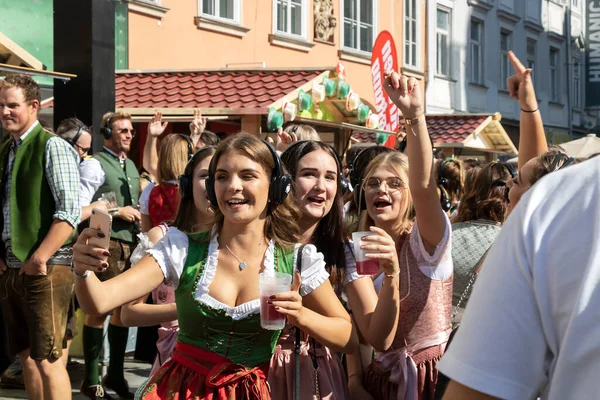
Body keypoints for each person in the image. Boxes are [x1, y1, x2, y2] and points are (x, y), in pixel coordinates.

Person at [72, 133, 357, 399]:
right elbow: (100, 301)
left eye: (247, 176)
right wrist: (83, 270)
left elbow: (349, 337)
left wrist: (301, 314)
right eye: (221, 177)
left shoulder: (296, 258)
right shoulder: (182, 247)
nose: (233, 186)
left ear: (275, 186)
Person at [438, 156, 600, 400]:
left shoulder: (558, 204)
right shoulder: (562, 202)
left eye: (515, 182)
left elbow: (480, 388)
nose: (509, 189)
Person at [344, 71, 453, 400]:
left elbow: (423, 187)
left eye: (394, 183)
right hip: (384, 383)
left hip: (433, 380)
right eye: (374, 183)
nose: (382, 189)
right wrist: (354, 380)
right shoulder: (356, 249)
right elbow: (377, 339)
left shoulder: (426, 240)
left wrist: (414, 117)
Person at [0, 74, 81, 399]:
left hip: (46, 268)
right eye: (1, 105)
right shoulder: (6, 149)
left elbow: (70, 212)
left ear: (34, 106)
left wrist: (39, 257)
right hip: (12, 267)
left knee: (49, 359)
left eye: (12, 105)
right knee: (26, 358)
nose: (5, 111)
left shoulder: (53, 146)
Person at [122, 146, 216, 377]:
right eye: (206, 176)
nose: (215, 184)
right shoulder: (162, 237)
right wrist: (183, 310)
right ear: (186, 185)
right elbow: (128, 313)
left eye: (221, 176)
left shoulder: (242, 240)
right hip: (175, 363)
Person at [273, 141, 352, 399]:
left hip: (319, 382)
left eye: (330, 177)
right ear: (286, 181)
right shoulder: (261, 244)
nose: (320, 186)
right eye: (309, 174)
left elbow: (353, 337)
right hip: (262, 375)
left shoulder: (343, 251)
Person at [78, 111, 141, 399]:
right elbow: (80, 206)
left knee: (122, 311)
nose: (129, 134)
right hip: (107, 242)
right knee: (99, 309)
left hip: (129, 244)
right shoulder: (94, 165)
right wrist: (117, 211)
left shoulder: (129, 165)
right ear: (107, 133)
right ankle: (91, 378)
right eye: (123, 130)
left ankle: (115, 372)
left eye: (131, 130)